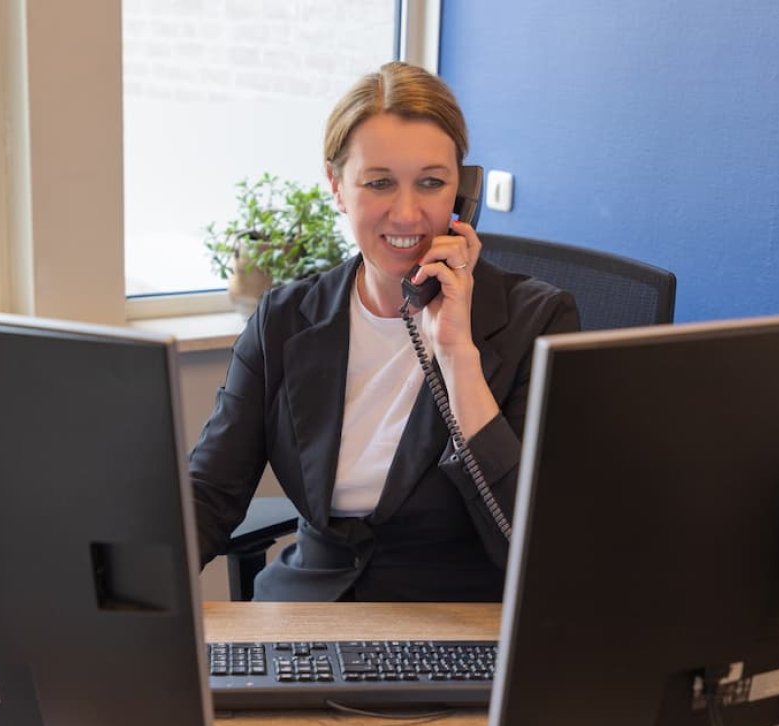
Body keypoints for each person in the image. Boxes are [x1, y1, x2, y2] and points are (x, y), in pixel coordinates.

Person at [190, 61, 579, 601]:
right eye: (378, 183)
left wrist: (456, 353)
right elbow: (208, 492)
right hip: (309, 607)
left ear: (463, 193)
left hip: (455, 625)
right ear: (337, 187)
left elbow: (534, 542)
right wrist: (119, 595)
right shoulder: (284, 319)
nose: (407, 213)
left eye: (431, 183)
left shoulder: (535, 321)